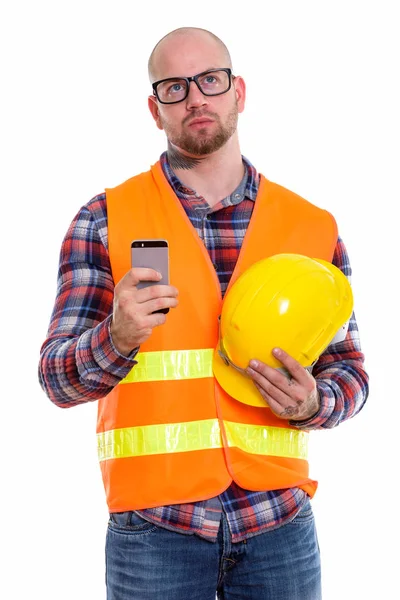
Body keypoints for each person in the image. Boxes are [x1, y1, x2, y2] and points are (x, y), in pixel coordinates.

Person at [38, 26, 369, 600]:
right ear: (153, 108)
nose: (195, 97)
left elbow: (351, 373)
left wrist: (317, 402)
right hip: (155, 532)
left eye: (209, 80)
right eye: (173, 86)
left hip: (279, 527)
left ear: (238, 91)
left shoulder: (313, 229)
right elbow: (56, 380)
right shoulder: (106, 219)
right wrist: (115, 337)